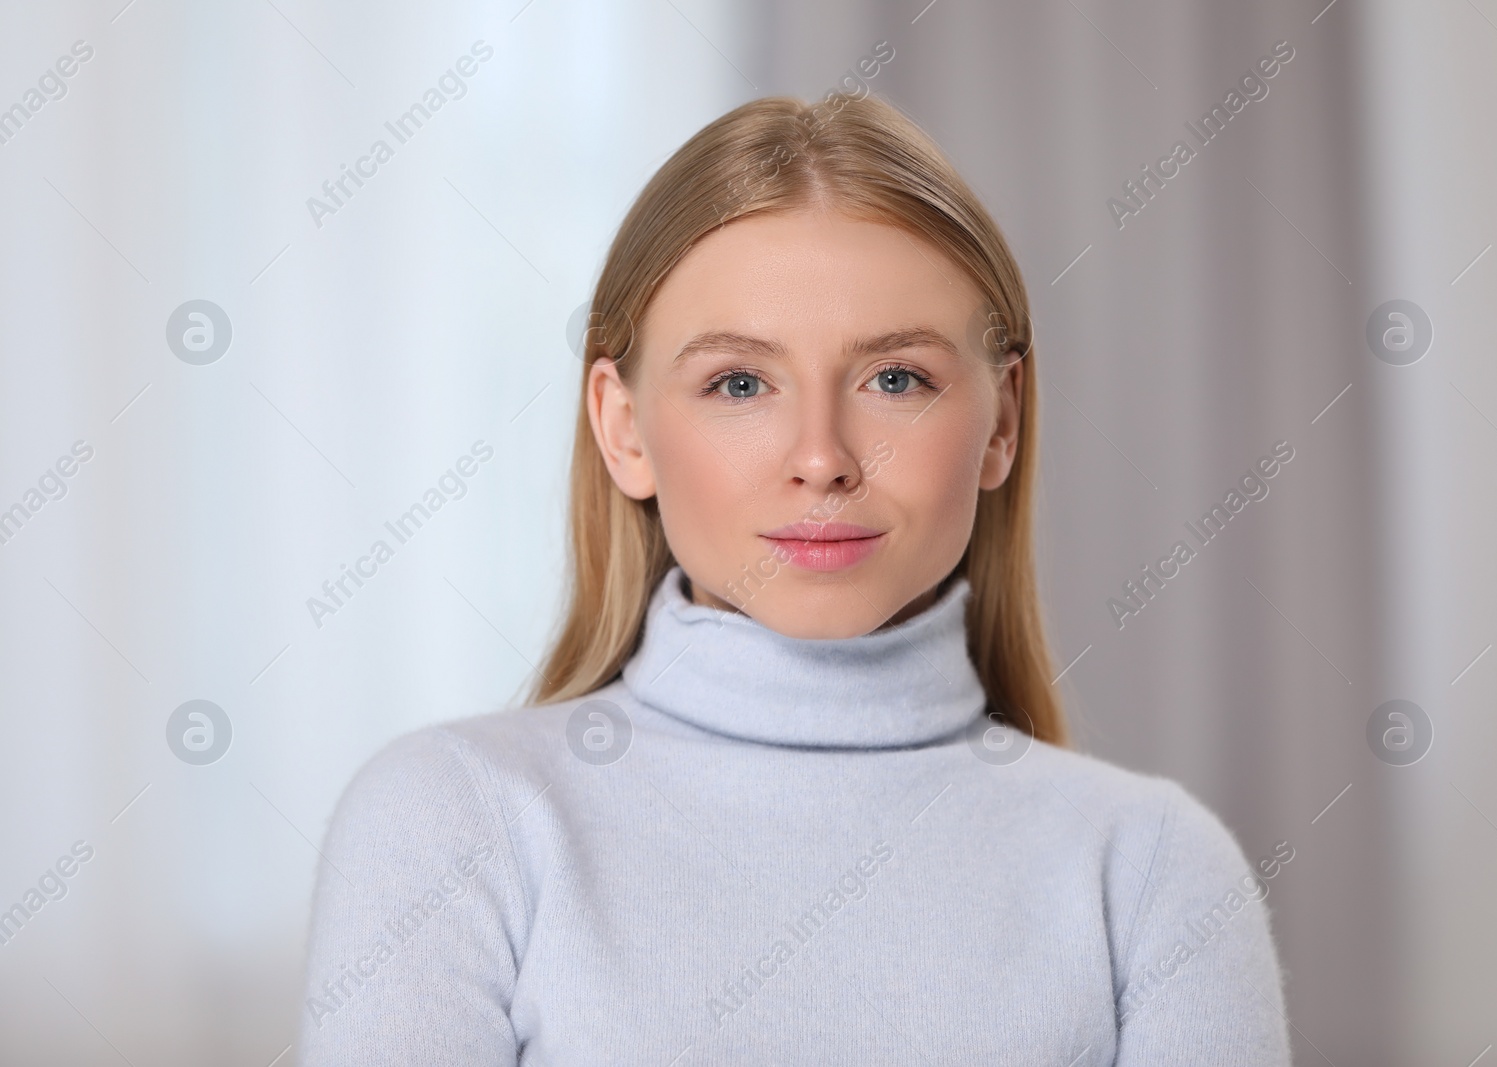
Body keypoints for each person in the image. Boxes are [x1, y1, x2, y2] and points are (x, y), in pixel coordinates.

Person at [299, 94, 1290, 1065]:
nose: (821, 456)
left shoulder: (1154, 868)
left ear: (1001, 420)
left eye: (895, 378)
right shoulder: (453, 822)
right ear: (622, 425)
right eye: (739, 382)